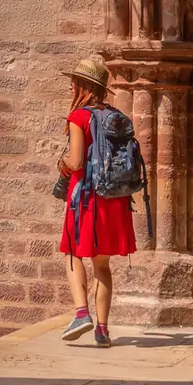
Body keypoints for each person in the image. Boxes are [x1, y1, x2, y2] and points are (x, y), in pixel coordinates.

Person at [56, 58, 136, 346]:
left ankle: (81, 314)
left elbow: (76, 161)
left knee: (73, 253)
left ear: (83, 86)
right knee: (102, 264)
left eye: (74, 81)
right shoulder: (115, 115)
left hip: (87, 198)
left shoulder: (79, 117)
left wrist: (62, 163)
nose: (70, 85)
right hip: (114, 198)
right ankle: (102, 330)